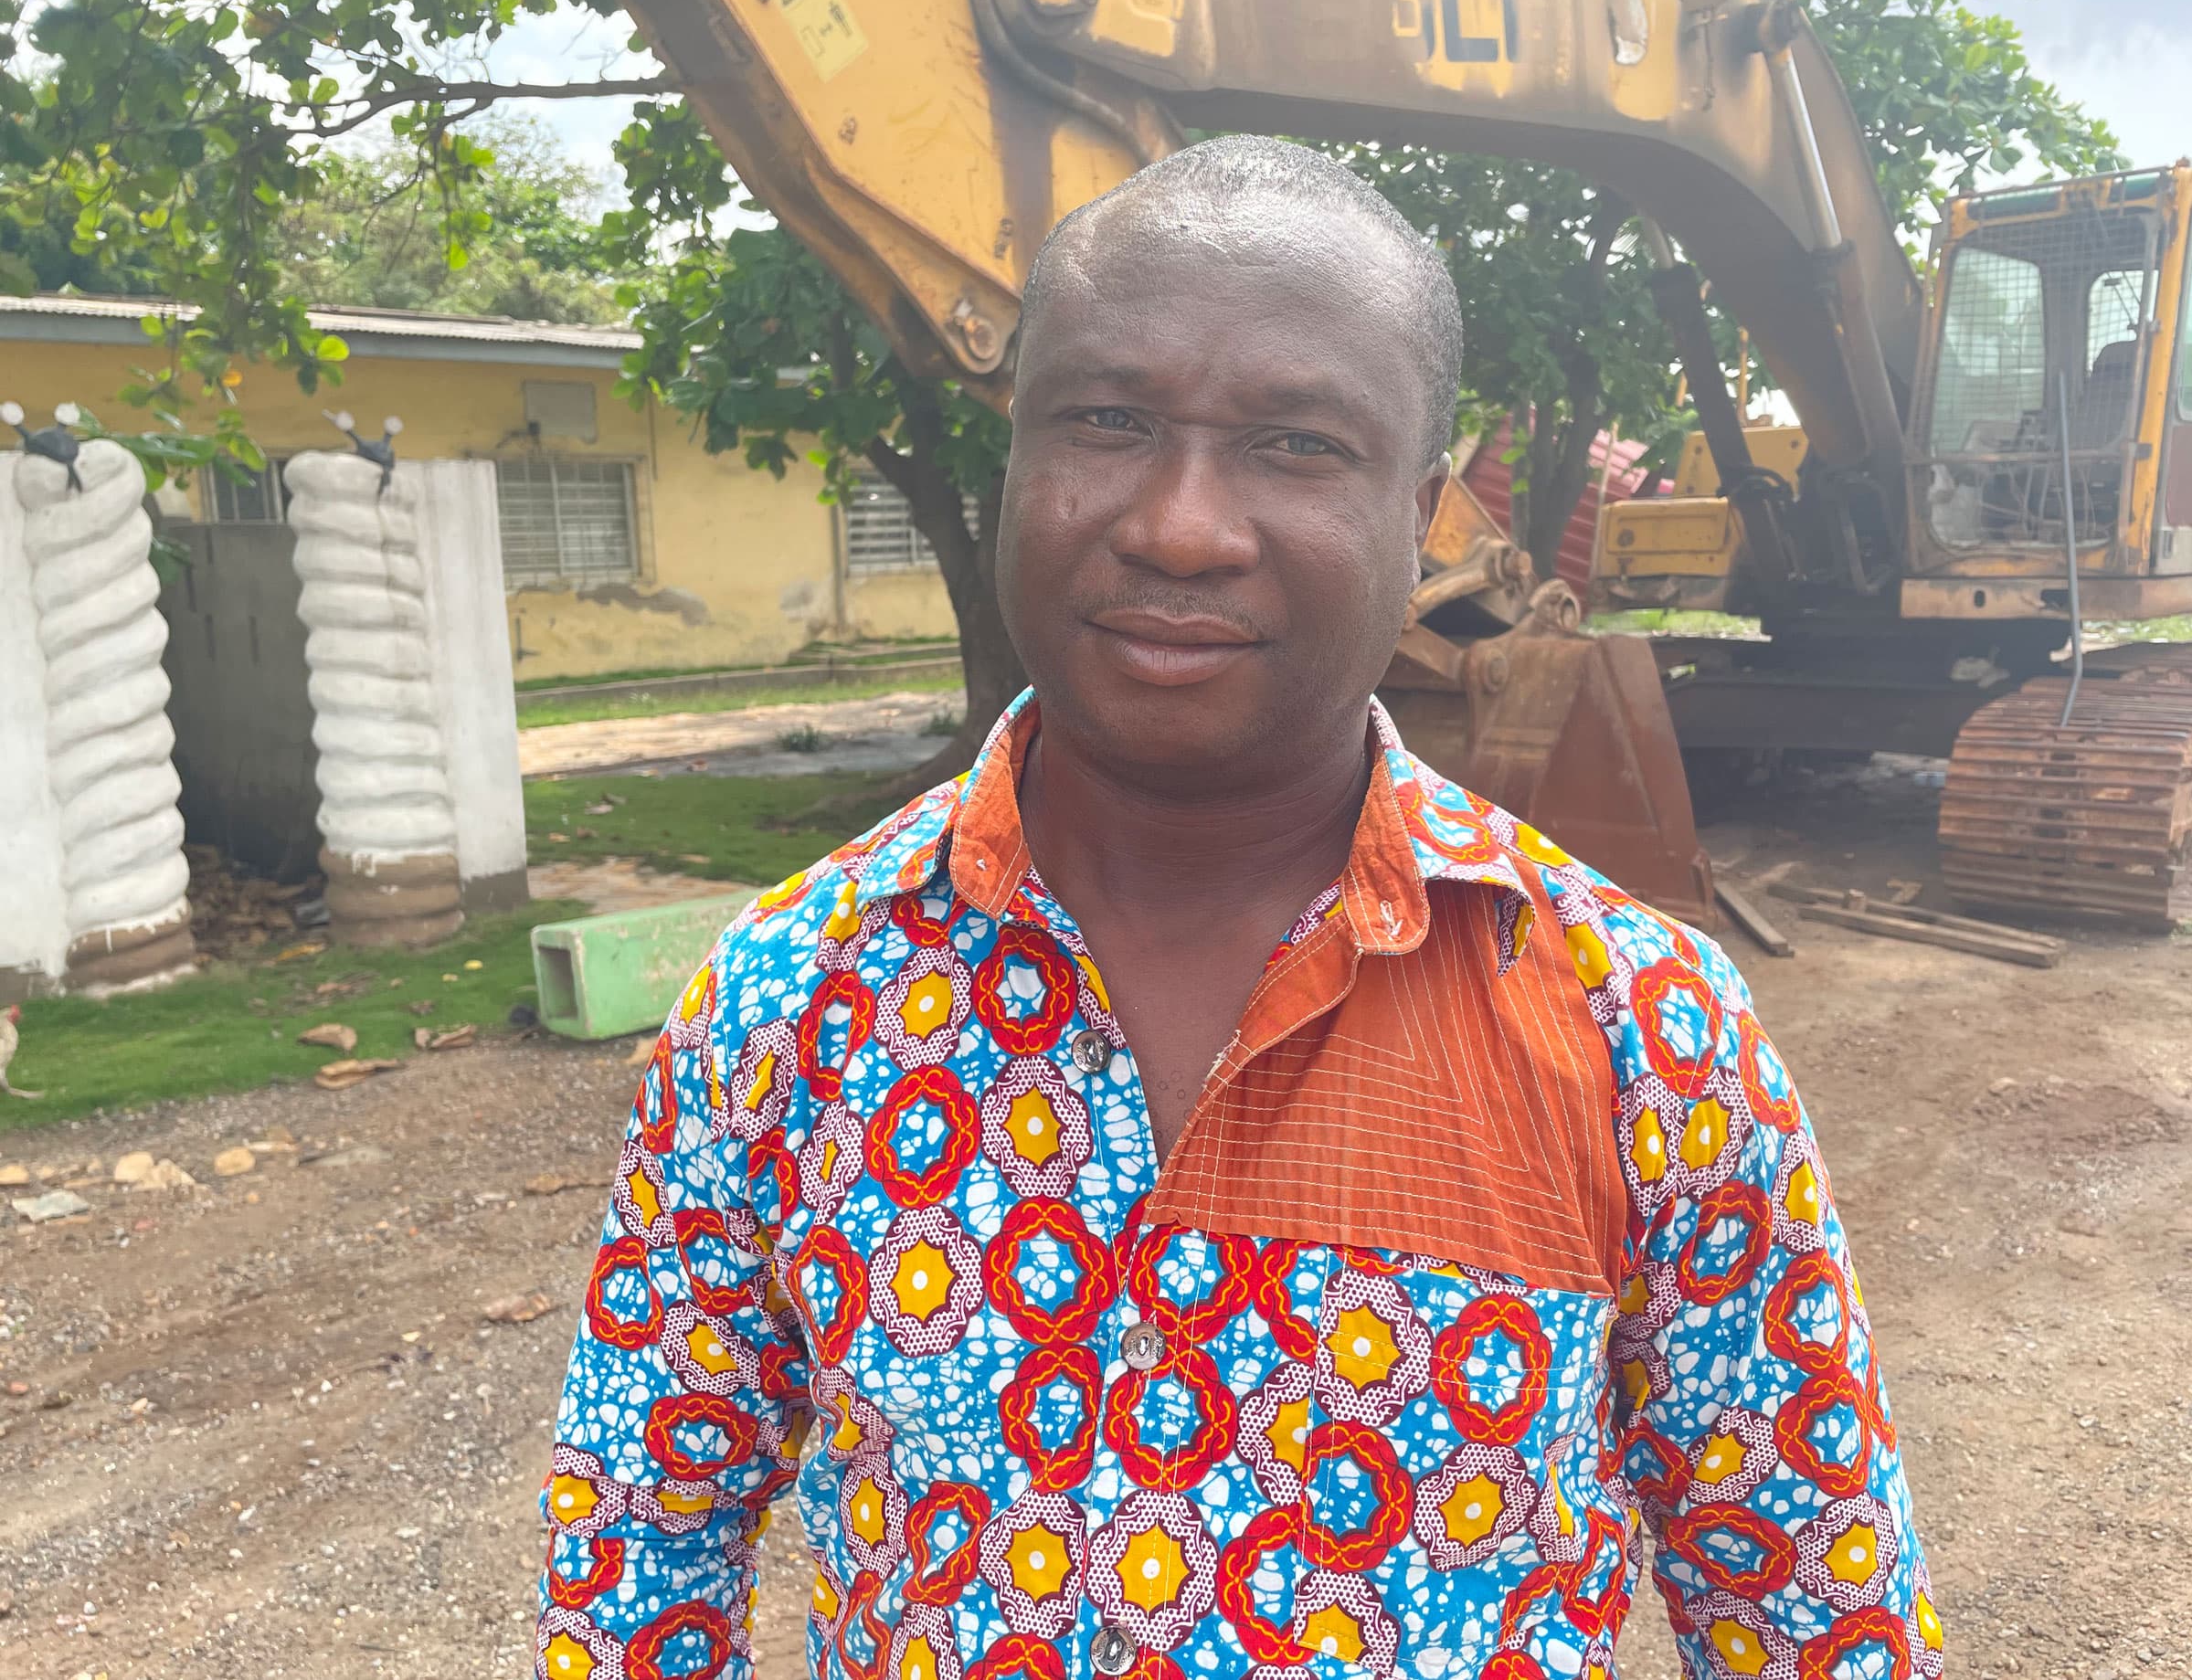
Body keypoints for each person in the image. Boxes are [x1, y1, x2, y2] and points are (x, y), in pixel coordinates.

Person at [534, 136, 1938, 1680]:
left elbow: (1815, 1605)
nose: (1181, 526)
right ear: (1017, 456)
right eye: (1109, 420)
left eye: (1296, 445)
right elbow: (640, 1545)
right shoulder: (786, 1001)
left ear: (1421, 515)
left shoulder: (1637, 1023)